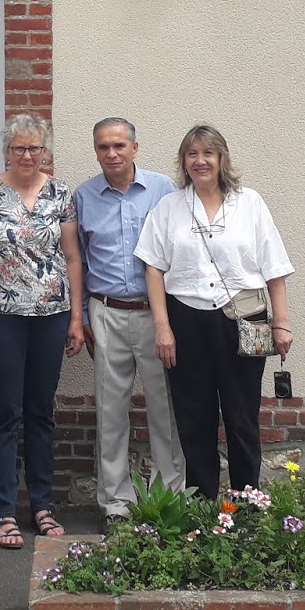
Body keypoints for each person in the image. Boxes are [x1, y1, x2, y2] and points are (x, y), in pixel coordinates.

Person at [135, 125, 294, 499]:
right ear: (183, 162)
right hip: (187, 322)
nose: (200, 161)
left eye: (208, 153)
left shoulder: (249, 203)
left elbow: (274, 266)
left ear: (222, 158)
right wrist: (163, 327)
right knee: (194, 420)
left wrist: (282, 323)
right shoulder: (169, 208)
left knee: (242, 418)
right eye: (192, 154)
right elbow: (153, 268)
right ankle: (203, 506)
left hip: (241, 320)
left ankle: (247, 505)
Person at [0, 114, 86, 550]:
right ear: (7, 151)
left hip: (52, 315)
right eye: (19, 148)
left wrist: (76, 317)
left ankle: (42, 504)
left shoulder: (61, 193)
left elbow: (72, 257)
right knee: (5, 411)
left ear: (45, 151)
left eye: (35, 148)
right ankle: (3, 511)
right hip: (1, 315)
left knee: (40, 411)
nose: (28, 155)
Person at [75, 117, 185, 524]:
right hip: (106, 312)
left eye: (119, 145)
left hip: (156, 315)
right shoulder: (84, 196)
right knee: (110, 412)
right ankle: (115, 505)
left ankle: (168, 502)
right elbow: (77, 260)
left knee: (165, 411)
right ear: (96, 151)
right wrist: (82, 315)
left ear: (135, 148)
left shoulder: (163, 190)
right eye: (103, 147)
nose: (112, 154)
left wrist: (172, 320)